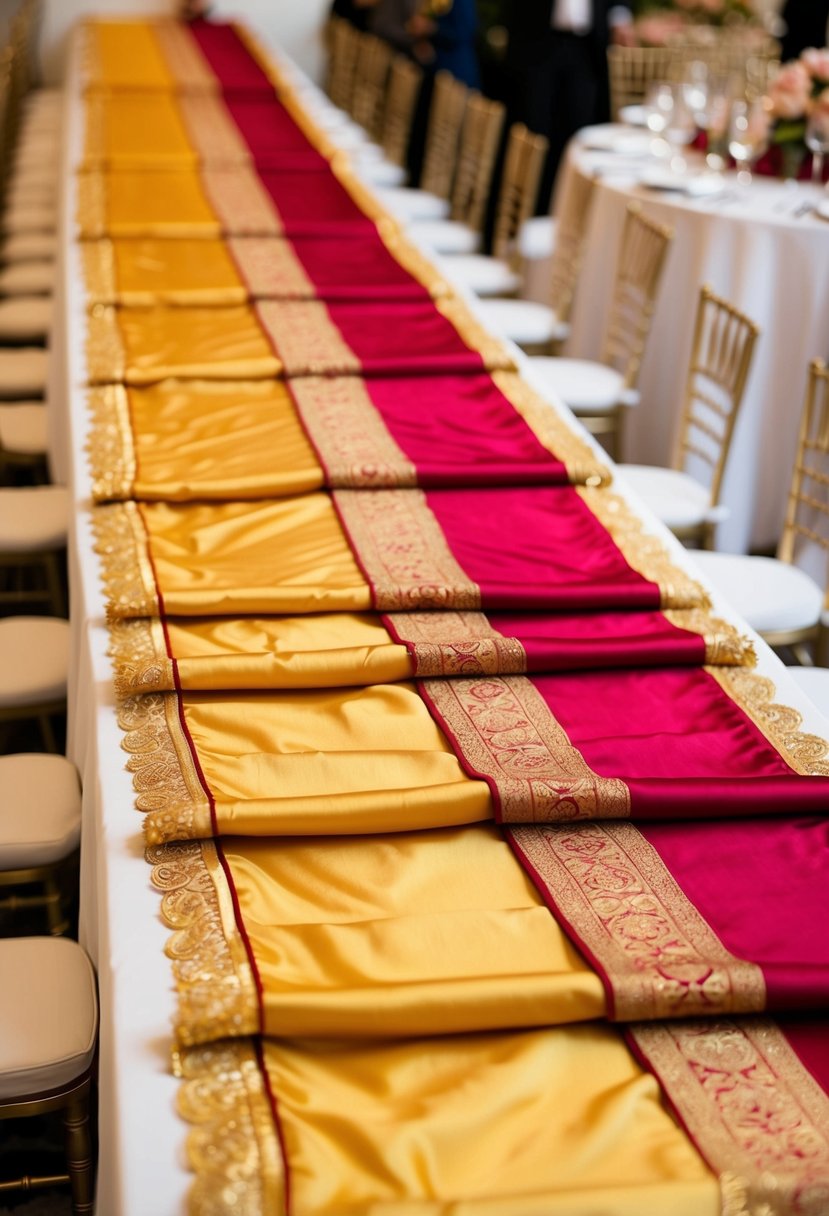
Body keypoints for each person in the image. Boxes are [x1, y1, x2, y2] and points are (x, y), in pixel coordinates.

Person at [504, 1, 634, 211]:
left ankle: (572, 214)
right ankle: (527, 214)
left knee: (579, 136)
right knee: (534, 132)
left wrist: (619, 16)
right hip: (536, 40)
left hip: (586, 48)